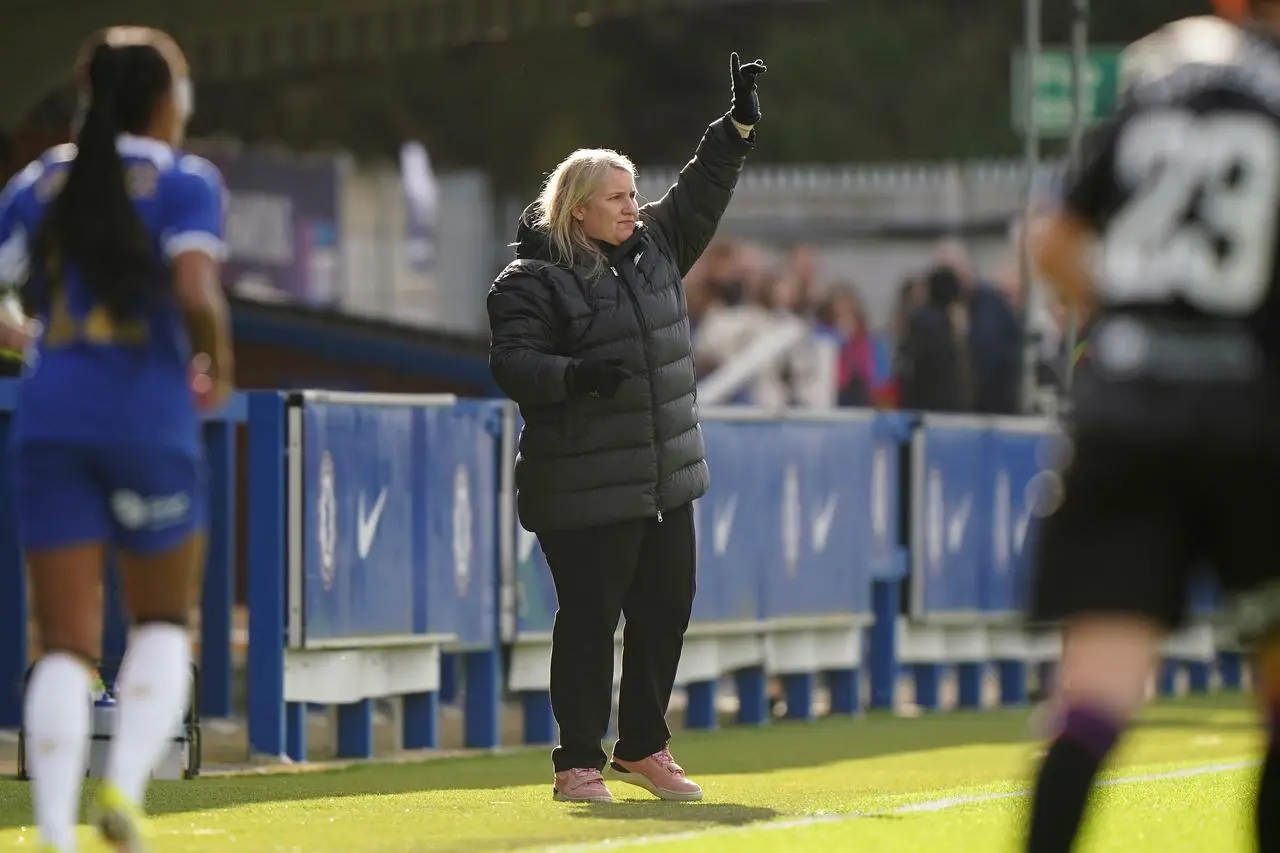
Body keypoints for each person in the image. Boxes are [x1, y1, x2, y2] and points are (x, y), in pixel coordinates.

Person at [1023, 5, 1280, 852]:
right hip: (1252, 420)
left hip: (1126, 409)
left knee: (1095, 695)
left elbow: (1053, 239)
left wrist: (1141, 318)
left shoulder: (1159, 80)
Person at [487, 52, 766, 804]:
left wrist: (734, 127)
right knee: (589, 620)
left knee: (666, 607)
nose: (633, 206)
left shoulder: (656, 250)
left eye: (635, 192)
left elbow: (703, 188)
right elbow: (513, 363)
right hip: (581, 481)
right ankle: (576, 761)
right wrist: (574, 376)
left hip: (662, 477)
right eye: (616, 196)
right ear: (575, 208)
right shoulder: (529, 281)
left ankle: (643, 745)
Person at [0, 26, 233, 853]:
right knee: (164, 620)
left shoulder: (38, 183)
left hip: (51, 416)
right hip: (147, 416)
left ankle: (56, 834)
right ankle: (124, 794)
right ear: (167, 102)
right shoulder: (185, 181)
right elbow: (196, 285)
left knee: (62, 641)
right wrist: (216, 361)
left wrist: (37, 347)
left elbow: (1, 302)